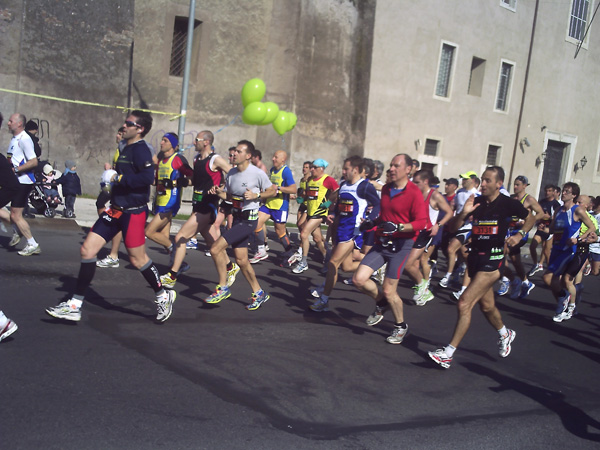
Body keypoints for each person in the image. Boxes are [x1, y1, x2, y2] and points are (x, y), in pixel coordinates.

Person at [45, 111, 176, 323]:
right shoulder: (124, 147)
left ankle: (163, 295)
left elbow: (147, 178)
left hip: (133, 212)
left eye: (128, 123)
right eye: (125, 122)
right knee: (87, 250)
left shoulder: (142, 150)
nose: (124, 126)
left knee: (137, 259)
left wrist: (118, 177)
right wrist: (110, 183)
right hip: (115, 210)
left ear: (140, 128)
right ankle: (74, 305)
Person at [429, 165, 535, 369]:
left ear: (499, 184)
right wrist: (463, 214)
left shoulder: (508, 204)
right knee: (487, 306)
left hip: (493, 260)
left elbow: (530, 216)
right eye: (482, 180)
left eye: (487, 180)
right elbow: (453, 228)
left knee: (464, 302)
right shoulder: (475, 202)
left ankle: (448, 353)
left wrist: (520, 234)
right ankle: (506, 333)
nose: (483, 184)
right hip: (475, 258)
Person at [352, 154, 428, 344]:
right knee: (358, 279)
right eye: (391, 165)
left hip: (402, 246)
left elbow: (421, 222)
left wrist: (400, 227)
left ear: (408, 169)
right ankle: (381, 303)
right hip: (382, 242)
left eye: (396, 166)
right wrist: (372, 222)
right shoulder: (386, 189)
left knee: (389, 289)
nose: (391, 169)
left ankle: (400, 326)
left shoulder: (413, 192)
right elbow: (385, 217)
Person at [159, 130, 235, 290]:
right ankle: (229, 267)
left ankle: (172, 275)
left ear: (206, 142)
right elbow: (195, 181)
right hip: (197, 205)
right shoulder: (196, 159)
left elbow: (234, 174)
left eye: (197, 140)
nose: (194, 142)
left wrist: (223, 189)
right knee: (212, 243)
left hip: (208, 207)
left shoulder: (215, 159)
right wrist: (179, 182)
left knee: (180, 237)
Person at [206, 140, 276, 310]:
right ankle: (259, 293)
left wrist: (256, 195)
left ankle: (222, 287)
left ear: (248, 156)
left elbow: (273, 190)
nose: (234, 154)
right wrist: (218, 192)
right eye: (234, 151)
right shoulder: (231, 174)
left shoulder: (257, 173)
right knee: (242, 260)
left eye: (238, 151)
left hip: (249, 220)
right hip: (237, 218)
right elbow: (230, 197)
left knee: (215, 248)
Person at [310, 156, 380, 312]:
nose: (343, 171)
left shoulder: (364, 187)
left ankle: (324, 300)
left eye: (346, 169)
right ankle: (374, 267)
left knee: (333, 263)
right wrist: (332, 214)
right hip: (341, 229)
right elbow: (338, 204)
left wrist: (369, 219)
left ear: (355, 170)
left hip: (354, 231)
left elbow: (378, 205)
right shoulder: (343, 185)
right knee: (347, 267)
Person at [542, 183, 597, 321]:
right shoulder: (559, 210)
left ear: (573, 195)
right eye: (564, 190)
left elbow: (591, 228)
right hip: (556, 249)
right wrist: (544, 228)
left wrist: (577, 239)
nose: (564, 193)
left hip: (569, 251)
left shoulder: (577, 210)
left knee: (551, 277)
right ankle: (565, 299)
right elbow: (553, 230)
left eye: (567, 191)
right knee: (554, 281)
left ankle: (565, 302)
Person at [407, 169, 453, 305]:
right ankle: (421, 290)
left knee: (411, 263)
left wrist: (438, 224)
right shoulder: (415, 193)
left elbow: (449, 212)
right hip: (414, 231)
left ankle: (424, 289)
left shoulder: (435, 196)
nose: (414, 184)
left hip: (425, 234)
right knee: (414, 263)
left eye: (417, 182)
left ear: (426, 182)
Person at [499, 175, 545, 299]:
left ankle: (506, 280)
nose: (515, 187)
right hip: (510, 231)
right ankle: (526, 283)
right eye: (514, 184)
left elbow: (541, 213)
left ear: (525, 186)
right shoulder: (512, 199)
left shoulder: (529, 199)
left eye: (518, 184)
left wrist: (529, 220)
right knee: (516, 261)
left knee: (503, 252)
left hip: (521, 234)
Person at [145, 132, 189, 257]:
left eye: (165, 141)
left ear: (173, 145)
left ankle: (175, 249)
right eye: (162, 140)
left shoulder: (178, 159)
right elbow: (156, 181)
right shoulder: (160, 160)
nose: (161, 143)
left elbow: (191, 177)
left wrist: (175, 182)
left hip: (170, 202)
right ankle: (179, 265)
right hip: (160, 200)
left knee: (149, 232)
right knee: (163, 237)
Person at [249, 149, 297, 265]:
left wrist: (279, 188)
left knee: (280, 232)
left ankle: (290, 252)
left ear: (282, 160)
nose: (273, 159)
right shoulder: (272, 170)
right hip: (269, 204)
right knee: (256, 222)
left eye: (276, 157)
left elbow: (293, 189)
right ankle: (261, 250)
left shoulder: (286, 172)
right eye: (273, 157)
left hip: (280, 206)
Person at [292, 159, 339, 274]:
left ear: (321, 168)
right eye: (311, 167)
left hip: (320, 212)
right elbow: (309, 195)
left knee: (303, 234)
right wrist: (302, 199)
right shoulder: (310, 180)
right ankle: (328, 259)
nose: (311, 169)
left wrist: (329, 203)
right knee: (317, 239)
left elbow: (338, 191)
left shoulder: (328, 179)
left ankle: (303, 262)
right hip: (310, 212)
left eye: (314, 167)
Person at [6, 113, 41, 256]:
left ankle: (32, 243)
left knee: (16, 215)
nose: (8, 123)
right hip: (14, 181)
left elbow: (34, 162)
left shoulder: (25, 139)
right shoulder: (15, 138)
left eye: (11, 121)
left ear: (19, 124)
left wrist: (15, 170)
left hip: (23, 182)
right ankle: (17, 230)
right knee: (12, 214)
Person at [439, 171, 479, 288]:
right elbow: (454, 206)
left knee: (451, 249)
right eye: (463, 179)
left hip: (469, 227)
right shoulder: (460, 192)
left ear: (472, 180)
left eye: (466, 179)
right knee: (462, 253)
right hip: (458, 225)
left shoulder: (476, 194)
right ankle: (460, 273)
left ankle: (448, 276)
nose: (463, 181)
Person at [96, 128, 126, 268]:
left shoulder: (127, 150)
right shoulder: (119, 150)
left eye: (120, 134)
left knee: (116, 218)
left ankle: (114, 255)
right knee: (101, 205)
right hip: (115, 188)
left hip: (120, 191)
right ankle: (108, 229)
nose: (117, 136)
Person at [528, 184, 561, 277]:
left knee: (547, 252)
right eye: (546, 191)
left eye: (550, 191)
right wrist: (538, 221)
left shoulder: (556, 205)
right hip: (541, 228)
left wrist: (549, 217)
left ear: (554, 192)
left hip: (549, 230)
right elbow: (539, 214)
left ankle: (552, 272)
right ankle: (535, 264)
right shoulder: (541, 202)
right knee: (532, 246)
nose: (547, 193)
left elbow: (557, 219)